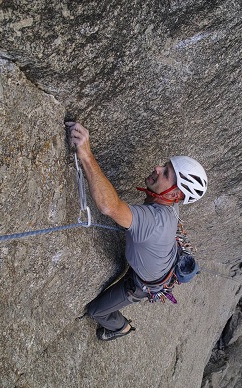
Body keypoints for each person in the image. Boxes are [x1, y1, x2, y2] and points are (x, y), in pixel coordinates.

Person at [67, 121, 208, 341]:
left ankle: (120, 328)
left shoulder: (154, 222)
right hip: (162, 260)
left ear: (174, 195)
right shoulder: (169, 205)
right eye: (165, 165)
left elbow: (109, 206)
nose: (158, 168)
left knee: (96, 311)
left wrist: (85, 153)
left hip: (142, 284)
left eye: (166, 173)